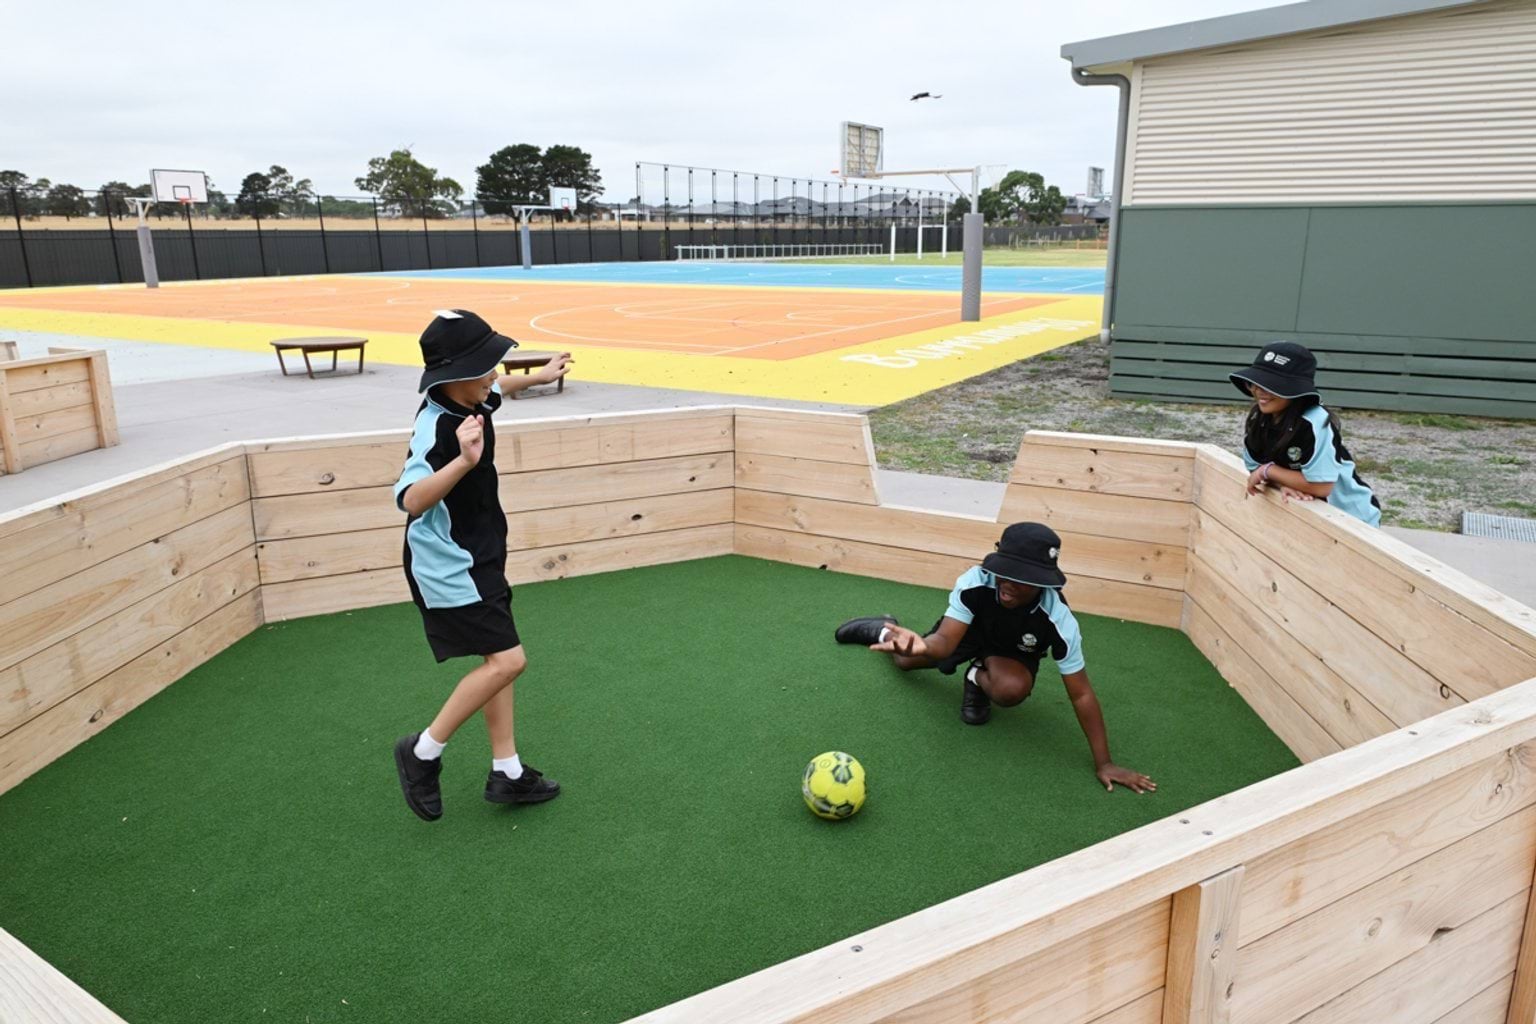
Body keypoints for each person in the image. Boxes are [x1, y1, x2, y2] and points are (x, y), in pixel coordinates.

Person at [391, 309, 572, 822]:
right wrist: (463, 463)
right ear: (455, 374)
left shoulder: (470, 395)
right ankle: (422, 752)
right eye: (487, 364)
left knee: (498, 662)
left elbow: (499, 390)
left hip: (480, 555)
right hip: (448, 566)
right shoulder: (437, 429)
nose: (496, 371)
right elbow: (410, 500)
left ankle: (507, 771)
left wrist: (539, 376)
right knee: (509, 662)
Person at [834, 522, 1156, 794]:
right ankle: (883, 628)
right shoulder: (976, 581)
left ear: (1043, 583)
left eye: (1024, 579)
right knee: (906, 662)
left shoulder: (1059, 620)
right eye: (1006, 572)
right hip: (966, 633)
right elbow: (945, 642)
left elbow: (1082, 693)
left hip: (1012, 654)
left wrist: (1105, 762)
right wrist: (919, 647)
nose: (1010, 585)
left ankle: (975, 677)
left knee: (1011, 690)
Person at [1228, 340, 1381, 526]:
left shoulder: (1315, 422)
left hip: (1352, 519)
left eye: (1271, 384)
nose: (1259, 390)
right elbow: (1254, 469)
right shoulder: (1259, 418)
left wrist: (1269, 471)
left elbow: (1322, 486)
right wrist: (1282, 483)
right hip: (1310, 516)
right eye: (1255, 383)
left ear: (1295, 389)